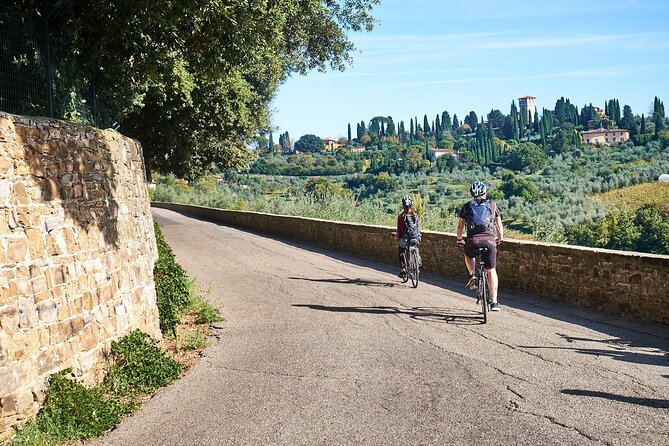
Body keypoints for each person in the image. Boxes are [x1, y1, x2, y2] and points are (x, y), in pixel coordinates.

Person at [456, 181, 504, 311]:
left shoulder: (466, 207)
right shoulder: (492, 205)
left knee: (468, 254)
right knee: (491, 270)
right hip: (489, 241)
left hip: (473, 241)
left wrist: (459, 239)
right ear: (485, 192)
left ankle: (472, 275)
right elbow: (499, 225)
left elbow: (460, 226)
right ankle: (494, 302)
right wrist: (500, 238)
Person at [397, 196, 421, 278]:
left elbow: (399, 230)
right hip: (415, 237)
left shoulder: (401, 217)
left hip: (406, 238)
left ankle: (403, 269)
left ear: (403, 206)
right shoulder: (415, 215)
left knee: (401, 250)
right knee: (414, 245)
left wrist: (398, 237)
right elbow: (418, 227)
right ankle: (416, 262)